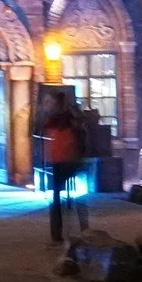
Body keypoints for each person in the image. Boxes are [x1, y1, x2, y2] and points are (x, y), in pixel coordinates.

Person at [41, 89, 89, 244]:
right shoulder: (70, 117)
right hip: (71, 161)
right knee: (78, 198)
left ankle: (57, 234)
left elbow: (43, 127)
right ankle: (84, 230)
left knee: (56, 199)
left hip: (60, 161)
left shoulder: (54, 118)